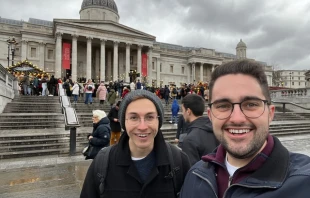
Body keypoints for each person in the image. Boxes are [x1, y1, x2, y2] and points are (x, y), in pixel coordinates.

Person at [180, 60, 310, 197]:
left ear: (270, 113)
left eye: (251, 104)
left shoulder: (305, 182)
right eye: (223, 106)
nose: (237, 119)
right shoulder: (194, 175)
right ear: (210, 115)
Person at [80, 90, 191, 198]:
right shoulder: (102, 162)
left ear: (159, 121)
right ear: (124, 121)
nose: (142, 127)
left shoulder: (179, 161)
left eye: (150, 117)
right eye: (134, 117)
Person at [180, 94, 219, 165]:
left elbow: (191, 172)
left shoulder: (189, 140)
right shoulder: (217, 130)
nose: (182, 114)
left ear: (188, 111)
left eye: (183, 110)